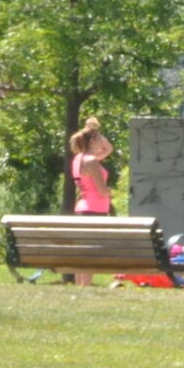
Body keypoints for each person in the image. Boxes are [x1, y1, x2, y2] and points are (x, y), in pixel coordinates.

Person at [66, 117, 116, 286]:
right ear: (93, 141)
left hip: (82, 207)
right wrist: (111, 192)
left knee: (82, 249)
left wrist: (93, 131)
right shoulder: (92, 161)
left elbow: (109, 149)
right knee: (91, 249)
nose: (103, 141)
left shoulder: (79, 159)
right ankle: (86, 285)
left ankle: (80, 285)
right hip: (95, 208)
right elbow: (102, 190)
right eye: (100, 138)